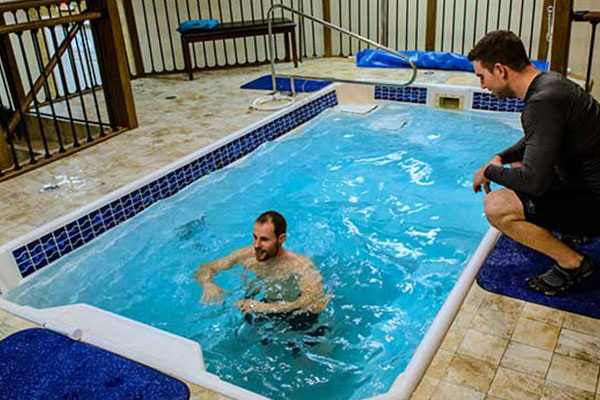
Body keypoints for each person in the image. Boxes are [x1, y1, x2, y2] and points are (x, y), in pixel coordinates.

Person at [468, 30, 600, 296]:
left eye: (482, 77)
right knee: (519, 165)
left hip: (594, 201)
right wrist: (502, 158)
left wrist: (489, 171)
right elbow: (534, 140)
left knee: (497, 207)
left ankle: (573, 263)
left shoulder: (541, 102)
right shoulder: (550, 83)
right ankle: (578, 231)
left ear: (500, 70)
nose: (483, 86)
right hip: (586, 185)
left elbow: (533, 183)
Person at [194, 210, 330, 329]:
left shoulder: (300, 265)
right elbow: (207, 268)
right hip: (263, 308)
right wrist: (207, 284)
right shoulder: (247, 255)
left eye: (264, 239)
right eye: (255, 237)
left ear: (281, 239)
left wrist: (266, 308)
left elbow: (316, 300)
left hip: (298, 317)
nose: (256, 245)